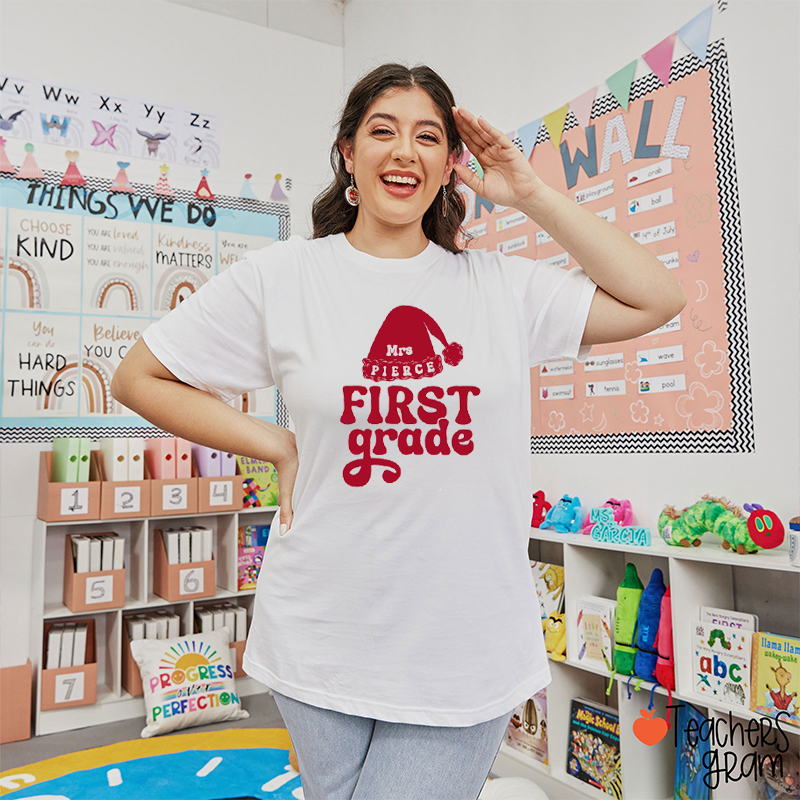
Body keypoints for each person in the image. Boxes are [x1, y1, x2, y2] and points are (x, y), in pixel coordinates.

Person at [112, 63, 685, 800]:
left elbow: (657, 298)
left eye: (428, 136)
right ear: (348, 152)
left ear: (452, 164)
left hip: (462, 642)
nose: (404, 151)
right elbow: (139, 378)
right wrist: (275, 443)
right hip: (318, 630)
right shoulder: (283, 278)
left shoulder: (501, 288)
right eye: (382, 131)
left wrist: (534, 194)